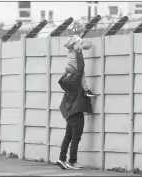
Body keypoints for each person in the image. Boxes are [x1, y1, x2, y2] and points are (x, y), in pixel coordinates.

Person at [56, 41, 93, 170]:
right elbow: (81, 66)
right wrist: (78, 51)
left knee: (68, 136)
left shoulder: (65, 80)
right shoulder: (75, 80)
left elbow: (76, 67)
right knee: (76, 138)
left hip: (69, 113)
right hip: (76, 113)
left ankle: (61, 159)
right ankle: (72, 162)